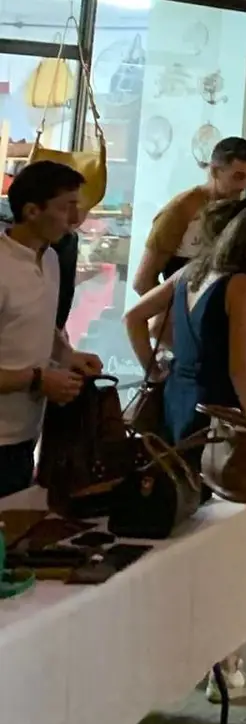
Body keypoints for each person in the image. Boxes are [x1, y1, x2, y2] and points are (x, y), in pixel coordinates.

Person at [127, 202, 246, 445]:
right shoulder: (242, 284)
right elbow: (239, 367)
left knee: (172, 465)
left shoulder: (190, 272)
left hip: (174, 398)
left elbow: (133, 318)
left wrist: (154, 374)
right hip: (213, 408)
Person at [0, 161, 104, 497]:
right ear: (32, 211)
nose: (75, 219)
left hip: (26, 432)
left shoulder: (50, 258)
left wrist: (67, 355)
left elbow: (44, 322)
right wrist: (38, 379)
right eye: (66, 207)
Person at [132, 135, 246, 293]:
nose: (244, 185)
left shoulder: (240, 211)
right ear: (214, 171)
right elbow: (142, 282)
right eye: (238, 176)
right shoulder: (179, 211)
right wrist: (174, 307)